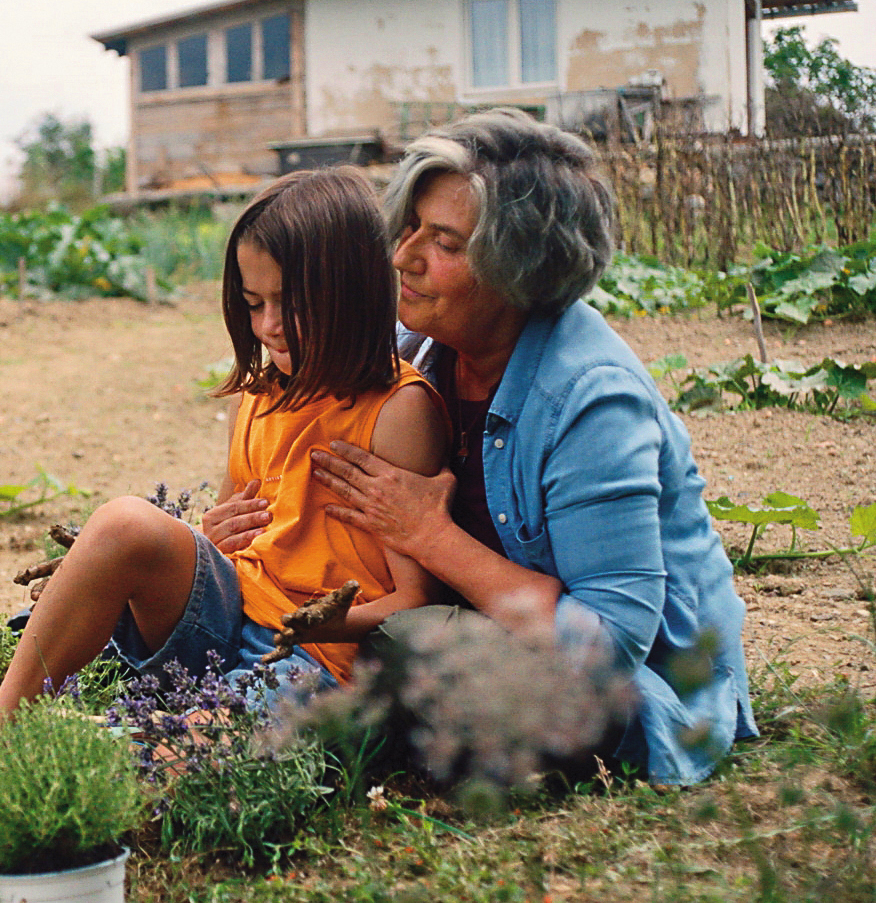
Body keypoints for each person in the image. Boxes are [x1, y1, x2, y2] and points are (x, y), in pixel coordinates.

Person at [304, 109, 757, 787]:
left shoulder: (593, 401)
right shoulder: (420, 350)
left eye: (446, 243)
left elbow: (607, 649)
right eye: (409, 229)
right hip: (482, 633)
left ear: (518, 268)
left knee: (408, 647)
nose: (403, 257)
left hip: (639, 695)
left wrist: (430, 536)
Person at [0, 167, 449, 744]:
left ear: (350, 291)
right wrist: (207, 536)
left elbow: (415, 599)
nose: (269, 326)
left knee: (173, 755)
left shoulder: (399, 411)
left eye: (290, 303)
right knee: (126, 521)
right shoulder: (256, 392)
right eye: (254, 304)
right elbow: (230, 536)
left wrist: (324, 621)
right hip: (230, 612)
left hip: (316, 655)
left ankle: (133, 742)